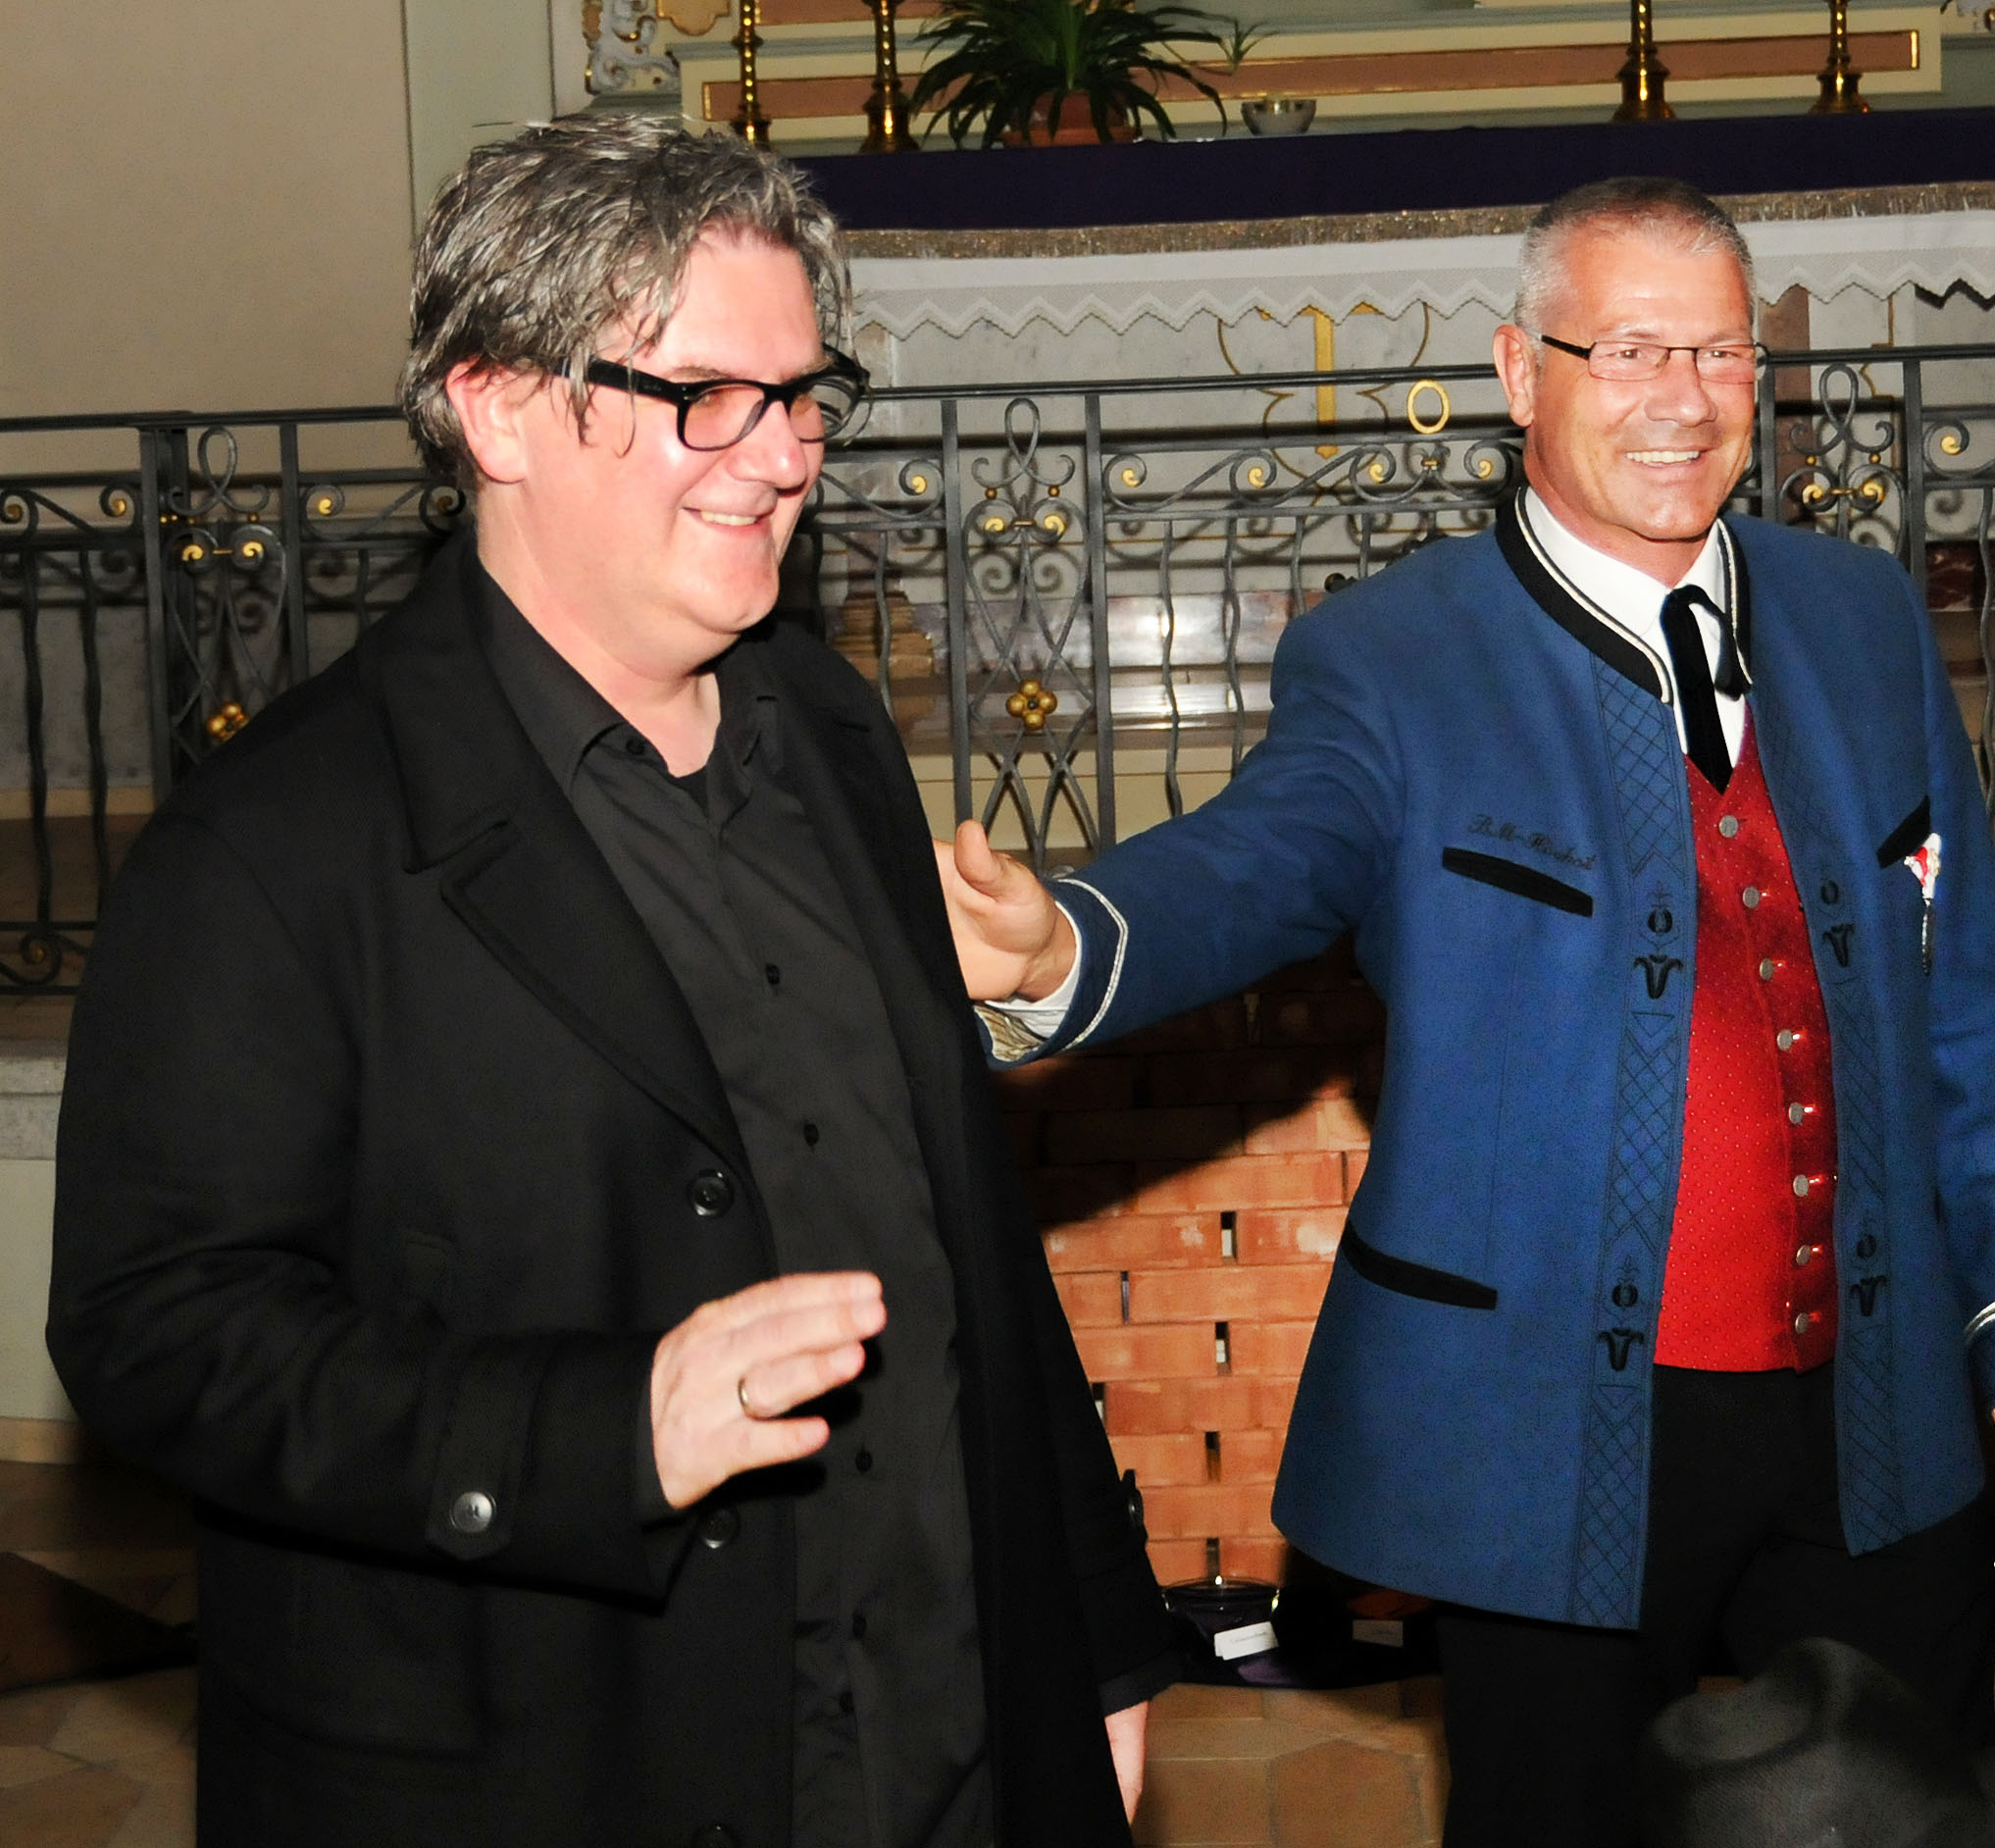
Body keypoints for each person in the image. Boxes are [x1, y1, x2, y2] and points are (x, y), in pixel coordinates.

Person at [939, 176, 1995, 1846]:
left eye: (1718, 351)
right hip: (1556, 1426)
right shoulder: (1396, 657)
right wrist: (1064, 940)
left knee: (1909, 1817)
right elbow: (1264, 858)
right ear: (1516, 372)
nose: (1681, 398)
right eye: (1627, 349)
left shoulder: (1857, 617)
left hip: (1879, 1399)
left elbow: (1966, 1003)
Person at [48, 116, 1169, 1848]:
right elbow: (157, 1327)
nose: (778, 458)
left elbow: (968, 1241)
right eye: (705, 396)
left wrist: (1090, 1638)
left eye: (801, 397)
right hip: (563, 1760)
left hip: (938, 1732)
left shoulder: (831, 734)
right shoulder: (276, 840)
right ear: (497, 409)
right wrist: (600, 1433)